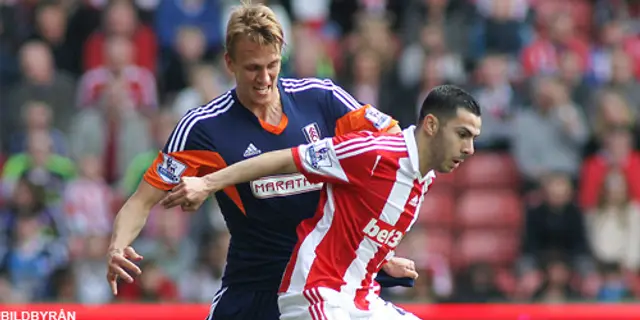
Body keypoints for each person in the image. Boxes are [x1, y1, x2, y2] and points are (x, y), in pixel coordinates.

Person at [106, 3, 416, 320]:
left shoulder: (321, 99)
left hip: (328, 286)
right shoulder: (203, 128)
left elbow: (394, 152)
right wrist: (117, 247)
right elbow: (140, 202)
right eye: (253, 68)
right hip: (254, 292)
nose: (265, 78)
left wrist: (373, 254)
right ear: (230, 62)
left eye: (273, 65)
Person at [161, 84, 482, 319]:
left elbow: (357, 227)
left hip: (361, 299)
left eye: (473, 139)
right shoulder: (373, 152)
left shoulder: (422, 176)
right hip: (317, 297)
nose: (469, 149)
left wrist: (382, 261)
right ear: (431, 126)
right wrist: (207, 182)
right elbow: (282, 160)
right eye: (462, 134)